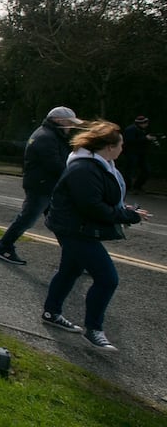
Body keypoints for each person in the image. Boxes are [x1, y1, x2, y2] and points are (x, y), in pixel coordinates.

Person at [40, 121, 148, 352]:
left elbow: (101, 197)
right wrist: (127, 216)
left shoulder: (99, 165)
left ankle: (51, 312)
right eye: (121, 145)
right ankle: (93, 330)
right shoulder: (85, 168)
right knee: (108, 279)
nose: (122, 149)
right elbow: (92, 206)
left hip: (79, 227)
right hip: (75, 229)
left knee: (70, 270)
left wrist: (126, 210)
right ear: (109, 146)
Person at [0, 106, 80, 265]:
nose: (71, 127)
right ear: (59, 121)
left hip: (46, 185)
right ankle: (3, 247)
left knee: (59, 222)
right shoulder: (47, 137)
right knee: (28, 218)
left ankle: (73, 256)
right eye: (69, 123)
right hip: (41, 186)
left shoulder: (50, 134)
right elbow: (55, 164)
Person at [121, 115, 156, 193]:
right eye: (145, 123)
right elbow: (129, 141)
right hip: (131, 153)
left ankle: (138, 186)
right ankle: (127, 187)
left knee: (146, 170)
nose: (146, 124)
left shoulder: (144, 130)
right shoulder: (130, 130)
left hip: (142, 153)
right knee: (130, 170)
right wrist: (145, 139)